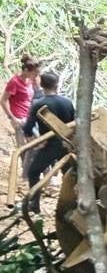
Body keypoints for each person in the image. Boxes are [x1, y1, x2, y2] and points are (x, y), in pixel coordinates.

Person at [22, 71, 75, 212]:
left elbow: (27, 128)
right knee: (69, 174)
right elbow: (74, 124)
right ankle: (72, 205)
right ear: (57, 85)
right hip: (66, 144)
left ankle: (34, 204)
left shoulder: (38, 104)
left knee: (33, 172)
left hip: (49, 144)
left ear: (42, 85)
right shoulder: (67, 102)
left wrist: (38, 142)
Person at [1, 54, 40, 147]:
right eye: (34, 73)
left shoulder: (29, 80)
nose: (35, 75)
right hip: (19, 117)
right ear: (26, 70)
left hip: (29, 114)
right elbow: (3, 100)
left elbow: (37, 91)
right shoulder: (14, 82)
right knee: (23, 146)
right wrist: (13, 118)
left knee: (36, 142)